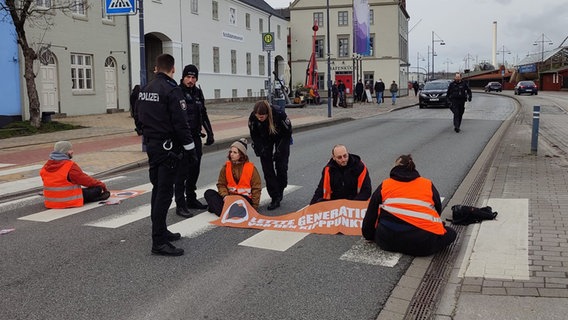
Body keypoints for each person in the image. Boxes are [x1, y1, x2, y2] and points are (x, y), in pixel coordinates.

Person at [136, 53, 197, 257]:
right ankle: (158, 242)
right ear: (172, 69)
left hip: (152, 146)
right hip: (168, 148)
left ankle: (161, 230)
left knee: (157, 189)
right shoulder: (172, 91)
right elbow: (181, 123)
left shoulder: (145, 89)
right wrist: (190, 149)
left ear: (156, 68)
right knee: (164, 194)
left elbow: (137, 116)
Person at [361, 154, 457, 256]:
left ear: (395, 168)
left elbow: (371, 214)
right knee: (451, 233)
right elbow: (437, 210)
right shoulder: (427, 184)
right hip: (421, 243)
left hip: (387, 241)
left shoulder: (385, 185)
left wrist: (369, 235)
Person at [174, 64, 215, 218]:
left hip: (195, 136)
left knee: (195, 168)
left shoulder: (198, 92)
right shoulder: (177, 92)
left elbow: (203, 114)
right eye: (188, 77)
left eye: (193, 78)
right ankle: (180, 204)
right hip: (182, 138)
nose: (190, 80)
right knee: (182, 171)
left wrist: (210, 133)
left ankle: (191, 199)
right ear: (183, 77)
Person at [248, 100, 292, 210]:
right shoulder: (253, 118)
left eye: (262, 117)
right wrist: (259, 148)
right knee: (267, 170)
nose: (259, 118)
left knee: (281, 167)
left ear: (267, 113)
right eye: (258, 116)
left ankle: (281, 188)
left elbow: (288, 132)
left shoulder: (279, 114)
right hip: (265, 139)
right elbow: (254, 135)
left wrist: (278, 151)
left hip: (281, 138)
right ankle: (275, 197)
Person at [39, 141, 110, 209]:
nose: (72, 151)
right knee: (97, 189)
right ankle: (97, 197)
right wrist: (101, 184)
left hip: (51, 202)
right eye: (70, 149)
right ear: (65, 151)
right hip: (67, 201)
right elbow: (85, 181)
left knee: (80, 189)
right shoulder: (69, 166)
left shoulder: (45, 166)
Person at [204, 138, 262, 216]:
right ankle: (227, 211)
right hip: (229, 198)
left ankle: (221, 210)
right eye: (231, 151)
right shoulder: (226, 167)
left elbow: (256, 189)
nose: (231, 154)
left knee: (240, 202)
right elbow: (221, 184)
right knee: (208, 193)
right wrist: (225, 196)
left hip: (243, 200)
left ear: (241, 154)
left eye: (235, 152)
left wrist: (254, 208)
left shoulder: (251, 168)